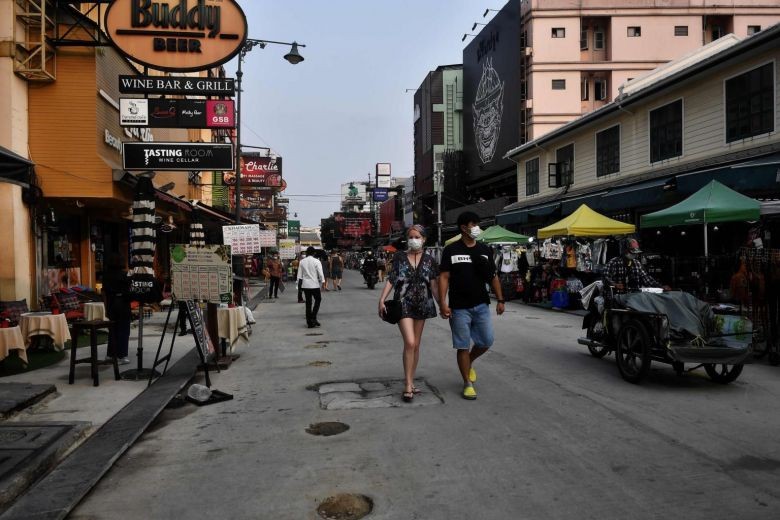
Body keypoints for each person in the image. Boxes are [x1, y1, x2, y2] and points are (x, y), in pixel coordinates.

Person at [439, 211, 505, 400]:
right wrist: (443, 303)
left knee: (486, 341)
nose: (476, 227)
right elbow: (444, 277)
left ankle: (470, 361)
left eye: (477, 223)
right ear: (463, 228)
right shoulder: (451, 250)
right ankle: (467, 383)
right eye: (473, 224)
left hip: (481, 305)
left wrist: (500, 300)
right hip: (459, 307)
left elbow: (493, 276)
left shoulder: (485, 250)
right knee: (462, 346)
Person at [378, 225, 439, 402]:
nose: (414, 239)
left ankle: (411, 381)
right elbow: (392, 279)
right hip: (403, 303)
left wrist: (443, 304)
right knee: (410, 342)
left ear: (424, 239)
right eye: (411, 236)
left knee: (416, 345)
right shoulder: (399, 257)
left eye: (417, 236)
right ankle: (407, 384)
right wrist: (382, 299)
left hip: (423, 304)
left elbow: (434, 285)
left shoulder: (429, 260)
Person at [103, 253, 131, 365]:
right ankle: (122, 355)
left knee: (112, 330)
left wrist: (106, 308)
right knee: (123, 329)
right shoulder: (125, 275)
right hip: (122, 302)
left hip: (110, 302)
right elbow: (129, 290)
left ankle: (110, 354)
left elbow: (104, 292)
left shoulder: (106, 275)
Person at [297, 246, 325, 328]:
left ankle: (309, 322)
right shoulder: (317, 261)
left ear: (306, 253)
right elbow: (320, 273)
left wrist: (298, 285)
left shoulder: (302, 262)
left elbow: (299, 275)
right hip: (314, 284)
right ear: (314, 253)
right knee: (318, 299)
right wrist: (323, 281)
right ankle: (313, 316)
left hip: (305, 285)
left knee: (308, 303)